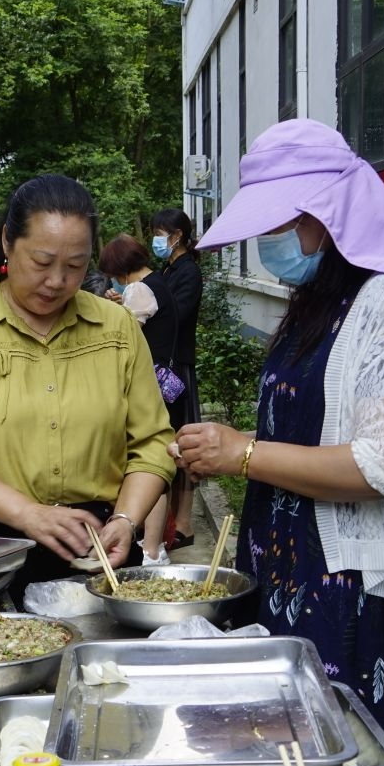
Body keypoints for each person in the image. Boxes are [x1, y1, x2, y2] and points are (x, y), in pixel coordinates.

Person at [172, 119, 384, 766]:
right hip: (286, 573)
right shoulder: (315, 305)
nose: (271, 241)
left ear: (327, 215)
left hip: (351, 591)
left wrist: (242, 454)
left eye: (282, 223)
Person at [0, 174, 175, 592]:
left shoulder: (117, 327)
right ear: (7, 241)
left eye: (75, 266)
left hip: (100, 548)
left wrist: (126, 519)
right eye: (41, 262)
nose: (57, 281)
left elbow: (152, 440)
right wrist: (27, 513)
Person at [99, 234, 179, 564]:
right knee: (162, 457)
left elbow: (125, 335)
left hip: (149, 385)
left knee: (149, 463)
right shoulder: (158, 281)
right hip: (167, 380)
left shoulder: (138, 289)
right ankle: (155, 546)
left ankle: (150, 548)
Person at [148, 207, 202, 556]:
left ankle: (184, 523)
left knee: (182, 440)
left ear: (177, 236)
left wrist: (146, 312)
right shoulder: (168, 269)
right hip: (163, 362)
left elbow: (175, 316)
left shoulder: (188, 272)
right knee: (168, 439)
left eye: (159, 233)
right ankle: (171, 521)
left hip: (176, 367)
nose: (155, 239)